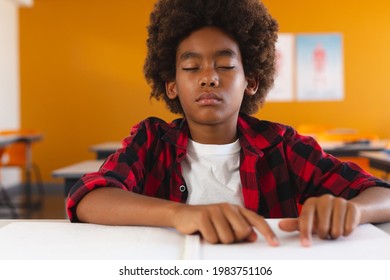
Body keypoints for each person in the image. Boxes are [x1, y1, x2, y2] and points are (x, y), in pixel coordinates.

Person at [67, 0, 390, 247]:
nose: (209, 78)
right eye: (192, 68)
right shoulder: (151, 140)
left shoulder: (282, 146)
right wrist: (179, 214)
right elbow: (87, 199)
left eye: (225, 64)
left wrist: (354, 211)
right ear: (171, 85)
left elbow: (382, 194)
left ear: (250, 81)